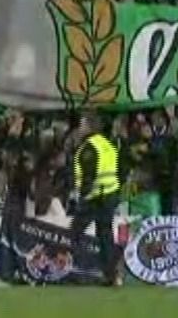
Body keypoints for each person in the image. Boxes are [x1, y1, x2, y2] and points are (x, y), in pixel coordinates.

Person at [69, 112, 122, 286]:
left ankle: (76, 270)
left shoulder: (88, 148)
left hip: (95, 197)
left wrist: (82, 198)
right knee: (105, 235)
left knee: (75, 232)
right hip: (110, 194)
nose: (80, 128)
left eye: (82, 125)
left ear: (89, 127)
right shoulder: (108, 144)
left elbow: (89, 176)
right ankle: (111, 275)